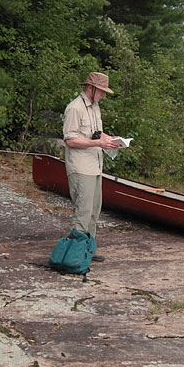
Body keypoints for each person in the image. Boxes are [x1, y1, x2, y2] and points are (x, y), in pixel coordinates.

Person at [62, 71, 122, 243]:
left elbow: (96, 133)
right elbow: (70, 139)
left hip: (95, 166)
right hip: (81, 167)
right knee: (83, 210)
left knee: (94, 210)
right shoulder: (75, 108)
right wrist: (99, 144)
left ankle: (87, 248)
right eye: (102, 91)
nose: (103, 95)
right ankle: (74, 253)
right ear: (91, 88)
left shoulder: (95, 107)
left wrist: (110, 140)